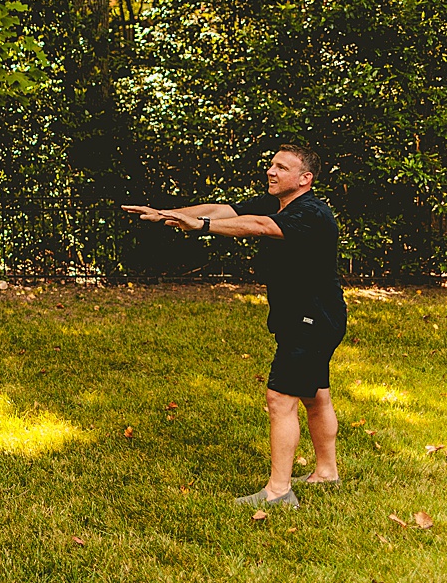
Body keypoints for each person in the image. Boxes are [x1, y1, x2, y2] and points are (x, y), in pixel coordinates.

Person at [123, 144, 346, 509]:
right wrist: (168, 214)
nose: (271, 171)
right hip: (308, 316)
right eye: (271, 165)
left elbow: (257, 227)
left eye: (282, 167)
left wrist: (203, 226)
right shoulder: (276, 202)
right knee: (314, 394)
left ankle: (278, 491)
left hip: (313, 318)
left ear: (305, 179)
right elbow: (221, 209)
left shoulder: (311, 212)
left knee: (280, 398)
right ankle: (326, 472)